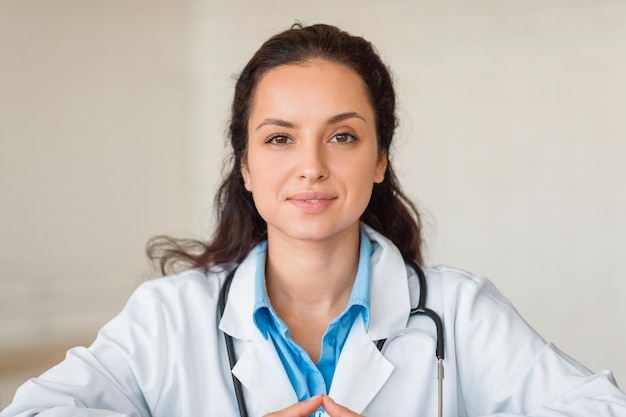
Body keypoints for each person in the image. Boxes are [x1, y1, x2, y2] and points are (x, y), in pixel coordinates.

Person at [2, 23, 626, 417]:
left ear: (381, 158)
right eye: (279, 139)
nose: (311, 167)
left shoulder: (459, 312)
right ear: (244, 164)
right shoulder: (169, 317)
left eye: (343, 137)